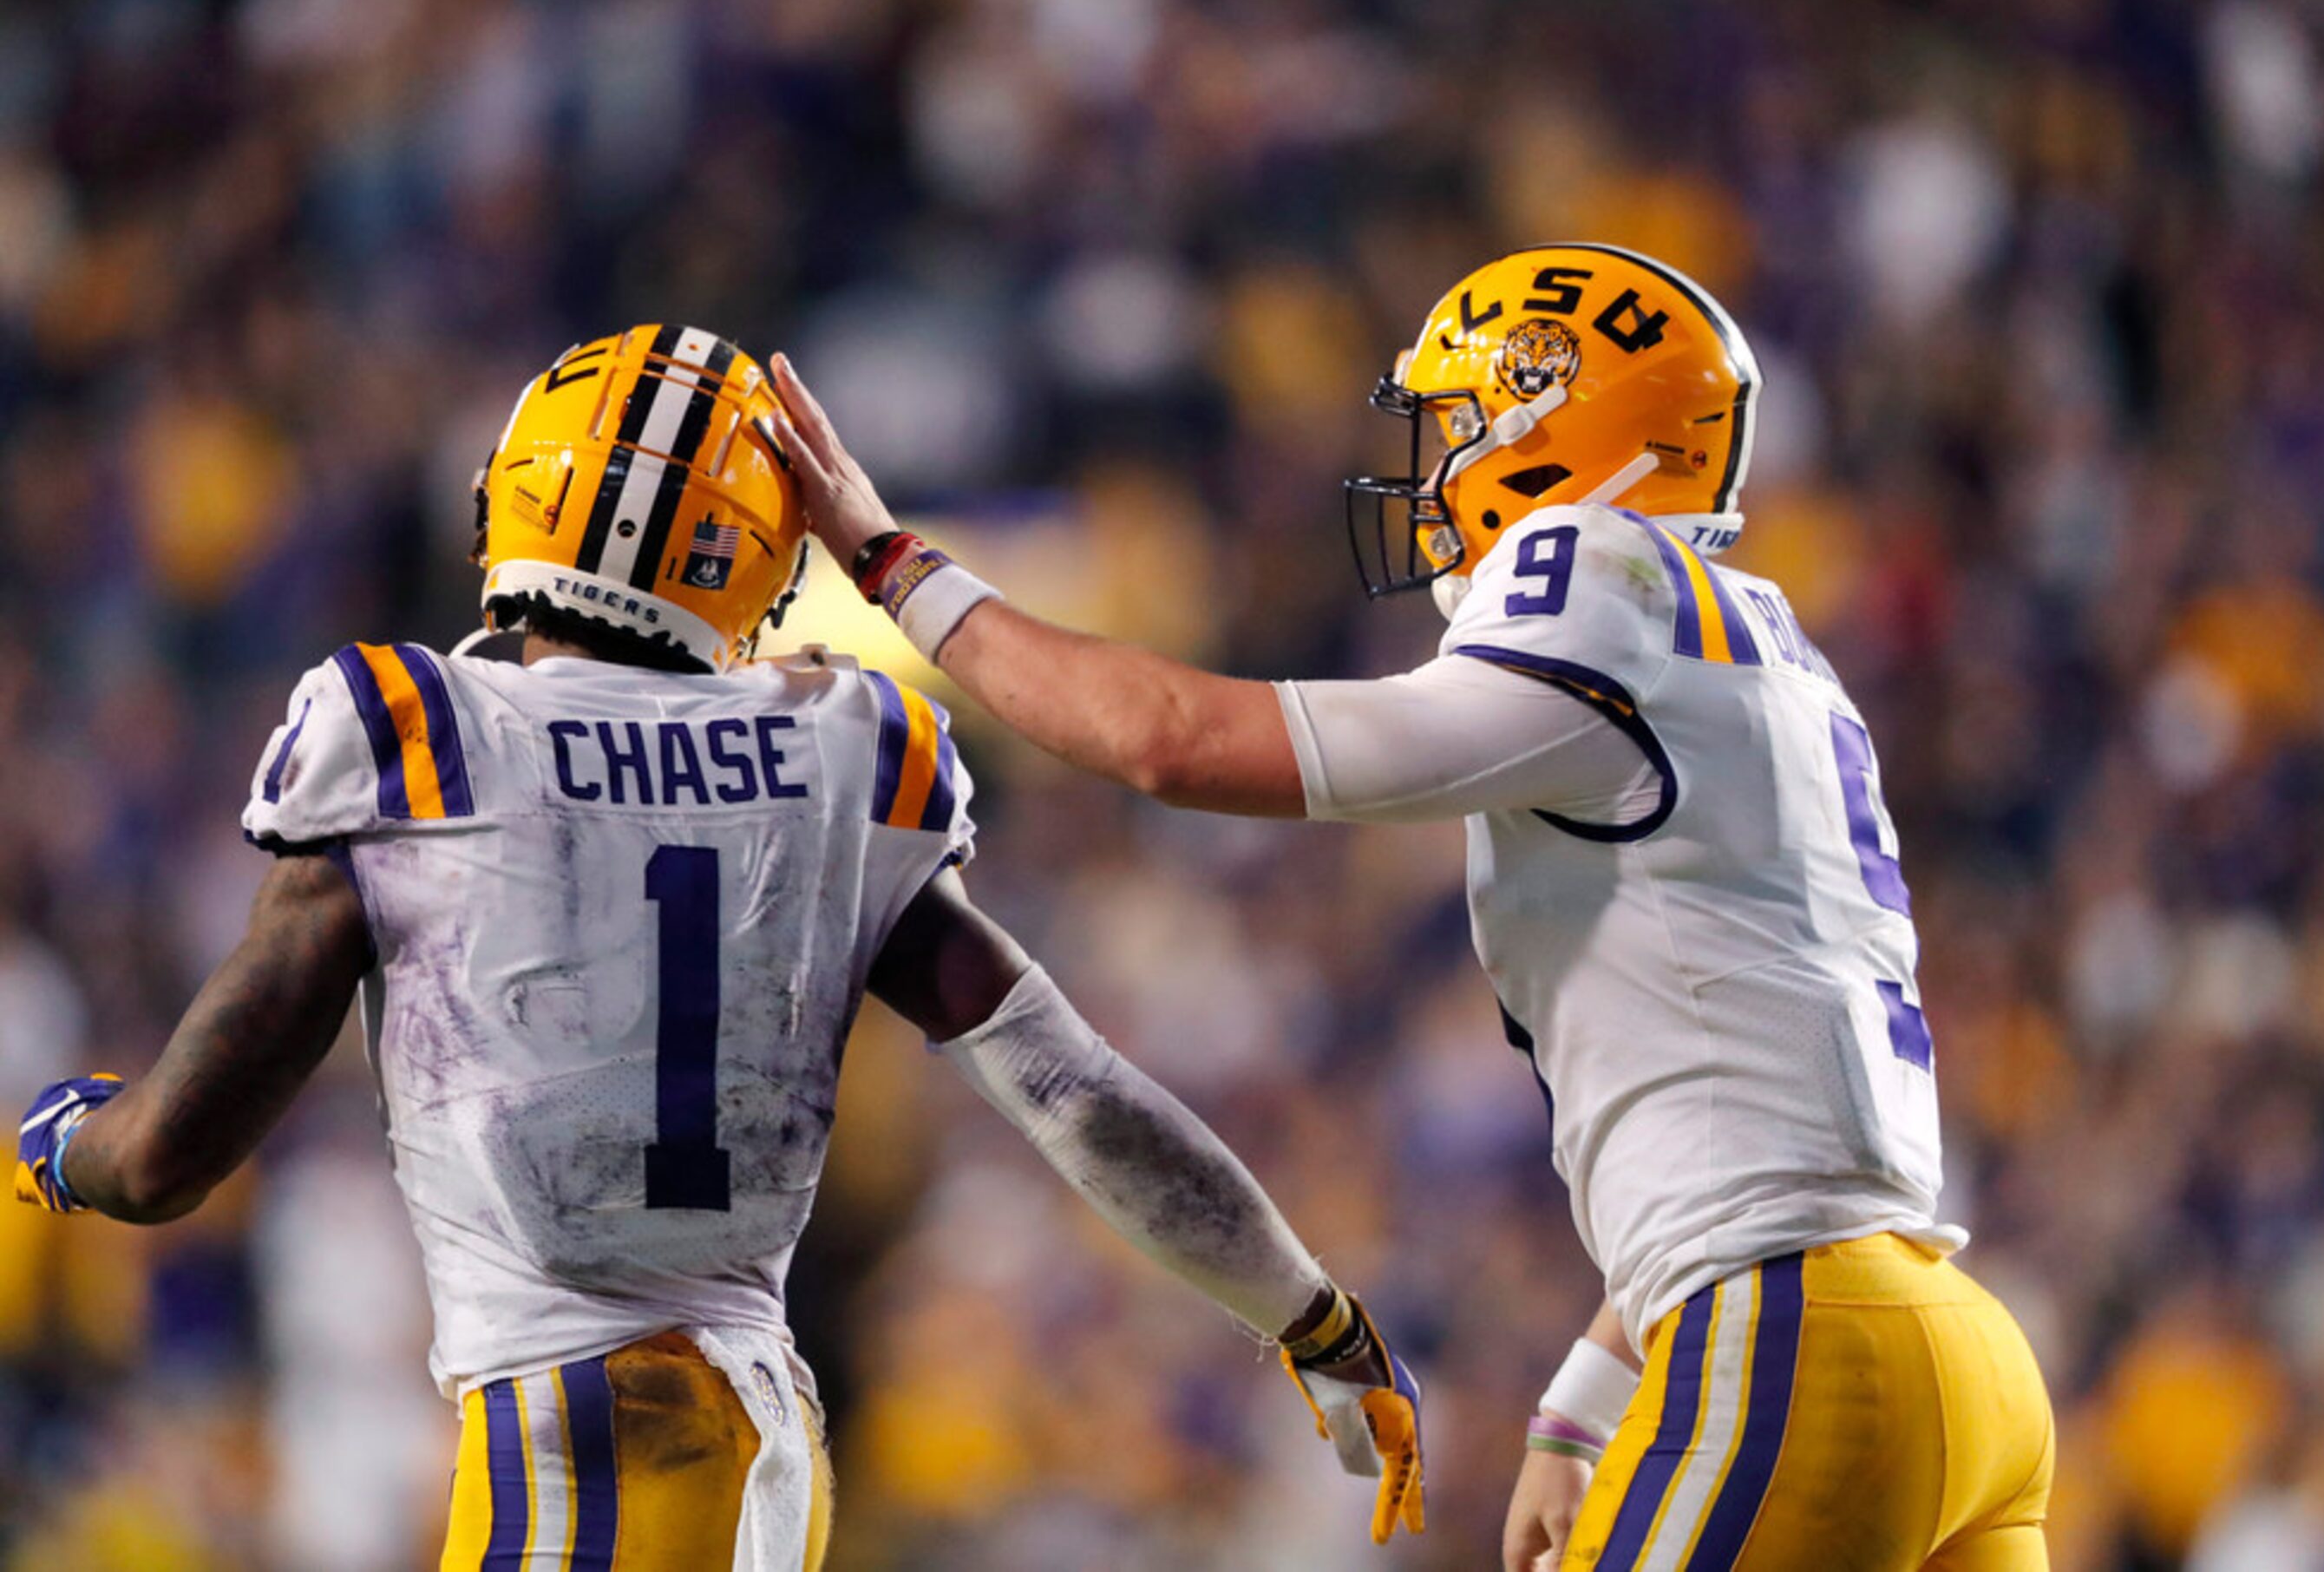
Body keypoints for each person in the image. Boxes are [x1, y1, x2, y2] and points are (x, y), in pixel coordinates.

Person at [13, 326, 1424, 1568]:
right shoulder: (838, 747)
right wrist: (1313, 1315)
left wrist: (53, 1142)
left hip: (579, 1430)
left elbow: (160, 1161)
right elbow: (1078, 1093)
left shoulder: (421, 734)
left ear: (518, 499)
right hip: (766, 1429)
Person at [768, 245, 2058, 1571]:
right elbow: (1770, 1121)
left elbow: (1171, 741)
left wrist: (894, 565)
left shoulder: (1592, 576)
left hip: (1798, 1345)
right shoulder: (1758, 641)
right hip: (1946, 1342)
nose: (1431, 472)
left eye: (1455, 428)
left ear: (1547, 428)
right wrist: (1579, 1409)